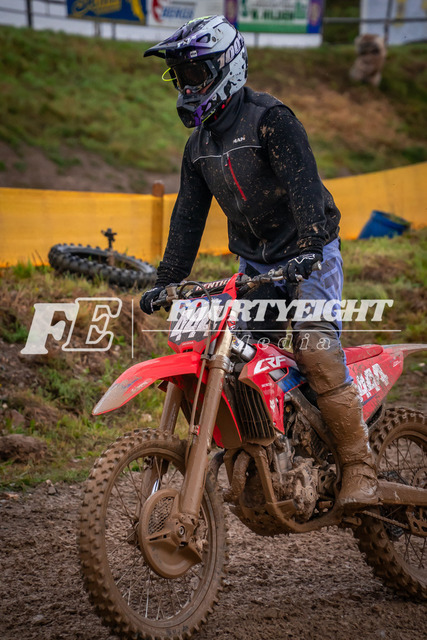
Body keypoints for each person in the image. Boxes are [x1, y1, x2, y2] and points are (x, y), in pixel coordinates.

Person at [140, 15, 378, 510]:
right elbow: (187, 217)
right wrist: (168, 281)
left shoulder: (271, 120)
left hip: (312, 252)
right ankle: (272, 460)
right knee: (235, 361)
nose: (187, 86)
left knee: (314, 347)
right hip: (257, 265)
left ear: (227, 68)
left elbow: (304, 186)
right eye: (180, 76)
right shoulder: (198, 146)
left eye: (195, 74)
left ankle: (360, 469)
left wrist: (310, 246)